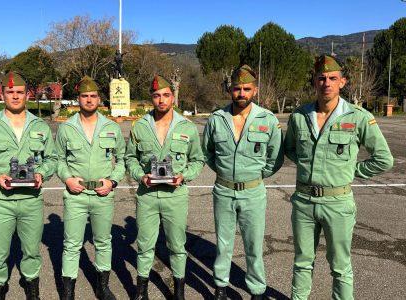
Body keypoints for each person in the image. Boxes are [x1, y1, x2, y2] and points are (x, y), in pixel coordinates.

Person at [284, 55, 394, 300]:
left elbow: (384, 159)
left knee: (340, 267)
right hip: (303, 202)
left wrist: (350, 172)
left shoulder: (359, 117)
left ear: (342, 82)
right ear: (314, 82)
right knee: (302, 262)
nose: (327, 83)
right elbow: (290, 148)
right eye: (321, 78)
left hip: (338, 204)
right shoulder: (299, 116)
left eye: (333, 78)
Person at [0, 71, 57, 300]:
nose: (15, 96)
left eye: (19, 92)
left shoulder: (40, 126)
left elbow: (52, 159)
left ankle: (32, 288)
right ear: (3, 94)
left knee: (32, 251)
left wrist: (42, 175)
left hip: (31, 199)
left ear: (26, 94)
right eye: (10, 92)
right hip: (1, 201)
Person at [202, 65, 284, 300]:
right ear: (230, 90)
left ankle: (257, 290)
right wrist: (225, 173)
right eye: (237, 89)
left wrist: (255, 176)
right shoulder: (217, 119)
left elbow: (275, 157)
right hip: (224, 190)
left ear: (255, 91)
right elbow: (207, 153)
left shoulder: (267, 120)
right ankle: (220, 287)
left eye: (246, 89)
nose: (241, 93)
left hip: (253, 192)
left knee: (254, 245)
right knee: (223, 243)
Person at [125, 75, 205, 300]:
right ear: (151, 97)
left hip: (175, 195)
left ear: (173, 97)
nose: (161, 100)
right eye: (156, 95)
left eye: (166, 95)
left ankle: (179, 291)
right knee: (144, 245)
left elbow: (198, 160)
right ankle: (142, 291)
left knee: (177, 245)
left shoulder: (186, 127)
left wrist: (184, 176)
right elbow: (130, 158)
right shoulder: (139, 126)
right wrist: (141, 176)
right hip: (147, 194)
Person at [55, 76, 126, 300]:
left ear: (99, 99)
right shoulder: (67, 128)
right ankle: (68, 291)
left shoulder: (111, 128)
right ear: (78, 99)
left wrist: (112, 181)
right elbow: (58, 160)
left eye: (93, 96)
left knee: (103, 241)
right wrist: (67, 179)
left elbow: (123, 160)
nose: (88, 100)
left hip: (102, 194)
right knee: (72, 244)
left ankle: (102, 286)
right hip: (76, 194)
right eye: (84, 96)